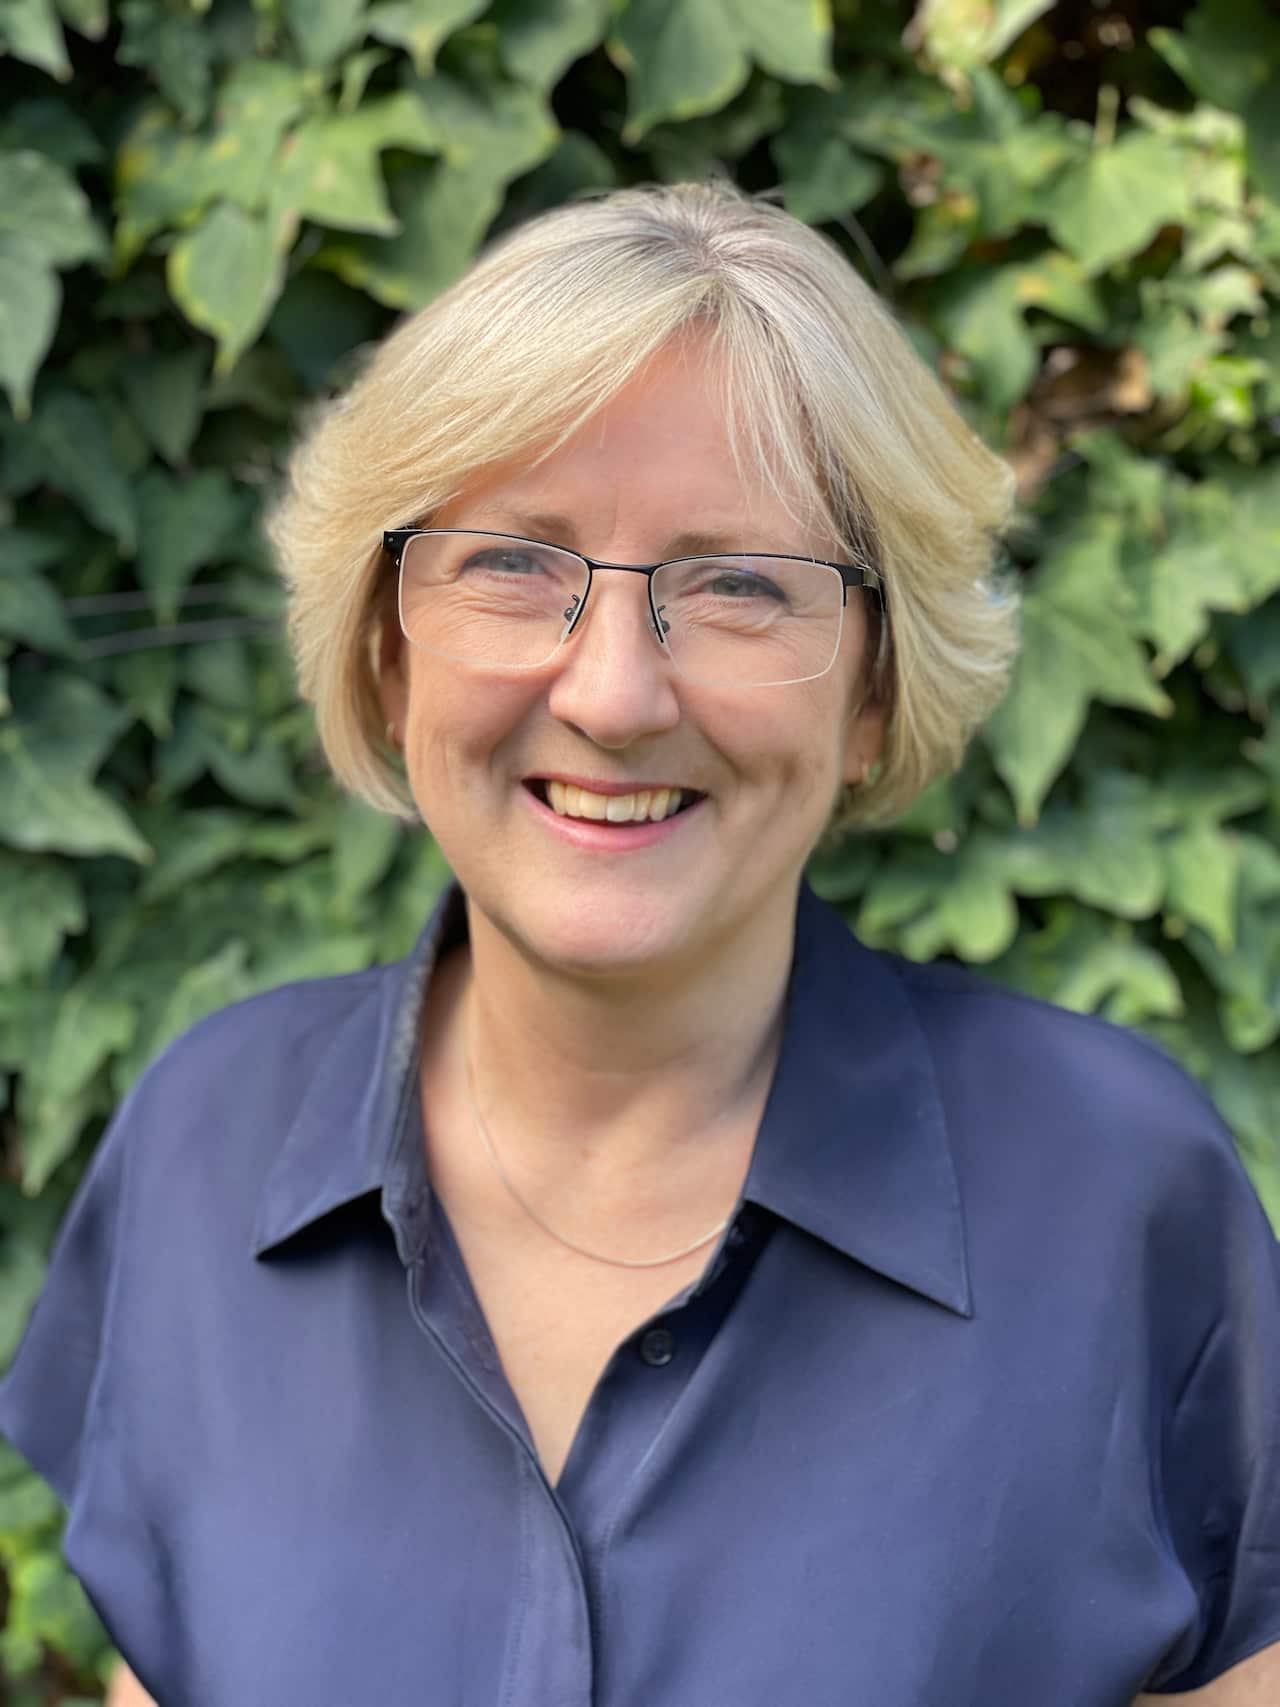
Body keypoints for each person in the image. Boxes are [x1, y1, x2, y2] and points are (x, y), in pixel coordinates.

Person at [2, 181, 1278, 1707]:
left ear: (872, 691)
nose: (612, 694)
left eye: (739, 584)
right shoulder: (206, 1144)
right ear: (384, 645)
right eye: (512, 562)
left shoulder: (1121, 1198)